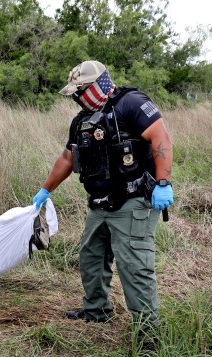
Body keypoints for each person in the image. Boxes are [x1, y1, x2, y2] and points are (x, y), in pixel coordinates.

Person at [32, 61, 173, 336]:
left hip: (133, 201)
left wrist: (163, 182)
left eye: (80, 91)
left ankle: (148, 335)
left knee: (134, 267)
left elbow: (161, 137)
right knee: (91, 256)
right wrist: (46, 190)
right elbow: (68, 157)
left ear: (100, 84)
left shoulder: (131, 103)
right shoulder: (82, 121)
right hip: (99, 204)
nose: (77, 98)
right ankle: (97, 311)